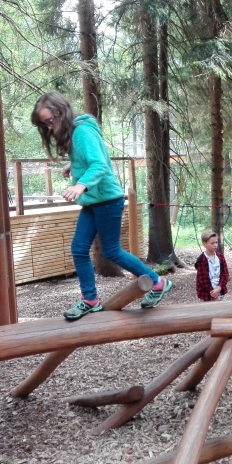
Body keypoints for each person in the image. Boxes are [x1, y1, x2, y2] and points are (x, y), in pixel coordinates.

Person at [31, 92, 173, 321]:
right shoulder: (76, 131)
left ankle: (157, 282)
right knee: (79, 249)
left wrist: (81, 185)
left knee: (111, 251)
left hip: (106, 200)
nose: (49, 127)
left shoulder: (81, 131)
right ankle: (90, 299)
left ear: (60, 112)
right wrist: (74, 165)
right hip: (93, 202)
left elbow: (99, 164)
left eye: (50, 121)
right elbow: (91, 156)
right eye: (44, 124)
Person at [194, 230, 229, 301]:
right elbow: (203, 280)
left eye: (216, 242)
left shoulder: (220, 257)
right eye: (212, 243)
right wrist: (214, 296)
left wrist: (219, 288)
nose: (215, 245)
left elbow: (225, 274)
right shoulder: (201, 260)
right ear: (204, 244)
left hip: (220, 291)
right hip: (207, 294)